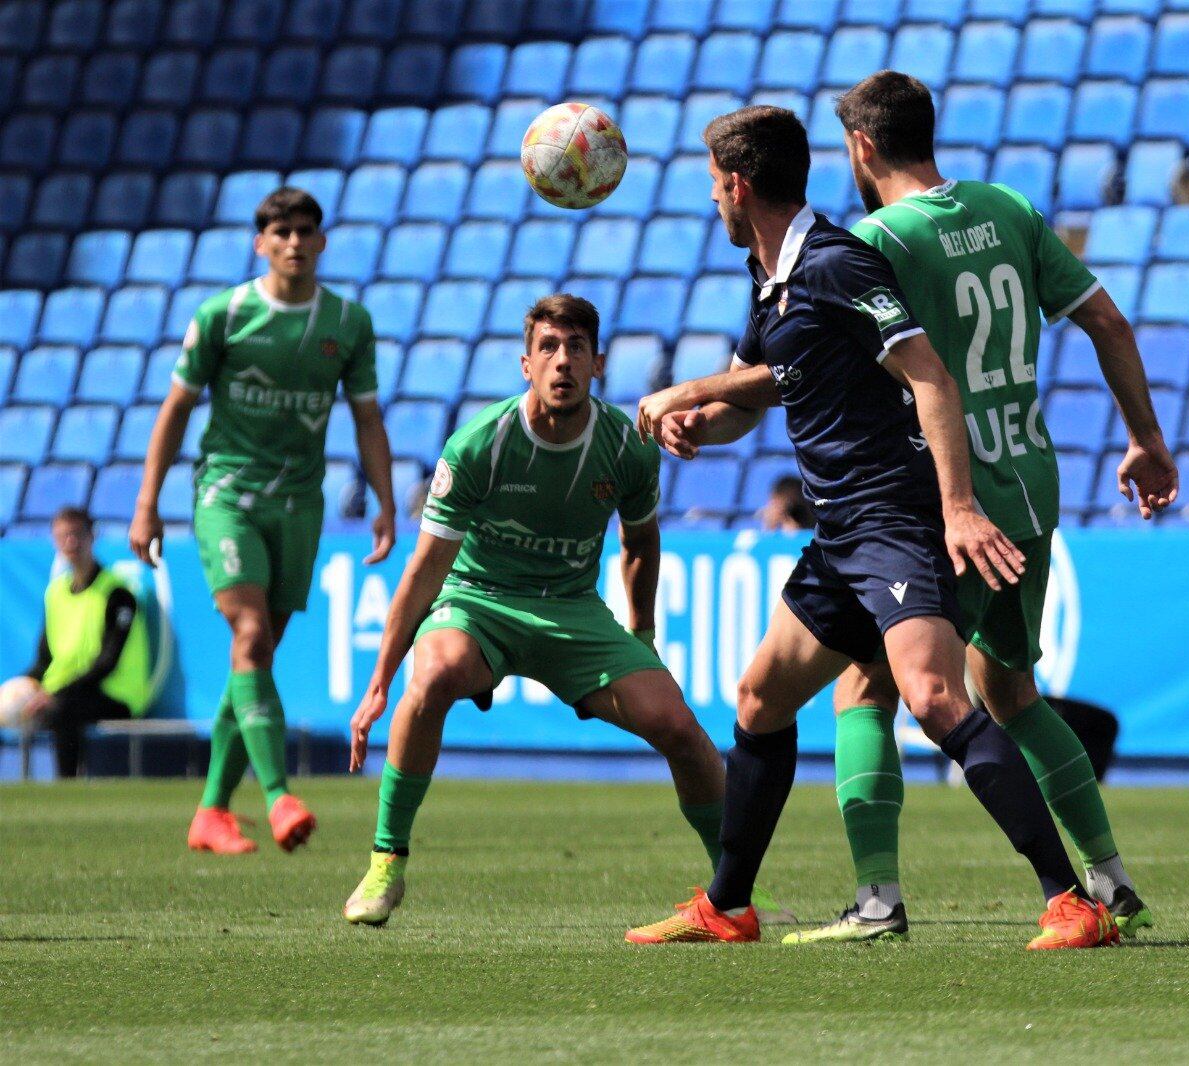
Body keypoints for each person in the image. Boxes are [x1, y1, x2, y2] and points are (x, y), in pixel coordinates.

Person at [626, 106, 1121, 950]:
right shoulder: (774, 276)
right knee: (759, 697)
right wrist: (699, 421)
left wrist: (959, 507)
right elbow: (769, 382)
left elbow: (930, 374)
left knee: (935, 698)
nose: (713, 201)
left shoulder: (833, 262)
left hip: (895, 518)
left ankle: (1074, 901)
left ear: (738, 186)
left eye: (715, 186)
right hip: (841, 532)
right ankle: (728, 904)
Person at [341, 295, 789, 926]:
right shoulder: (479, 445)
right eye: (548, 348)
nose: (562, 362)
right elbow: (424, 572)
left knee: (682, 731)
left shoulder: (627, 446)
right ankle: (386, 862)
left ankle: (735, 888)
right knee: (434, 674)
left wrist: (643, 636)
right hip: (480, 602)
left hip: (573, 612)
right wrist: (381, 679)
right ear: (526, 364)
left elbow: (640, 544)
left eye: (576, 347)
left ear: (598, 363)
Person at [130, 187, 397, 855]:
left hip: (299, 503)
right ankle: (279, 797)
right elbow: (176, 410)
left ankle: (211, 811)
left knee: (256, 657)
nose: (295, 242)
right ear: (261, 242)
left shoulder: (348, 322)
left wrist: (388, 502)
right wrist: (146, 503)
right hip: (227, 494)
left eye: (307, 230)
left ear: (322, 241)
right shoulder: (224, 315)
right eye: (281, 231)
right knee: (249, 632)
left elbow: (367, 417)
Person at [20, 507, 150, 778]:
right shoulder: (55, 593)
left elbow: (107, 662)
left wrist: (55, 695)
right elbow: (45, 659)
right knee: (17, 703)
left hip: (115, 694)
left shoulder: (118, 593)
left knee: (63, 709)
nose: (70, 543)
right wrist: (25, 687)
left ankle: (66, 783)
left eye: (77, 534)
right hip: (68, 691)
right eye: (63, 536)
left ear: (92, 536)